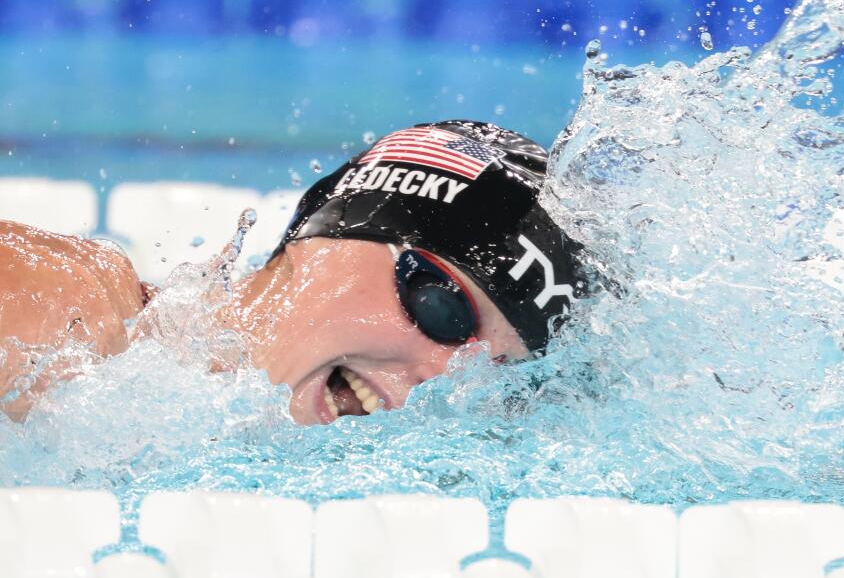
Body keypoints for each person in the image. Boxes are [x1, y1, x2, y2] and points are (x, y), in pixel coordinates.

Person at [0, 121, 586, 424]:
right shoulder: (63, 321)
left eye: (500, 373)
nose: (447, 375)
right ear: (326, 236)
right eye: (442, 307)